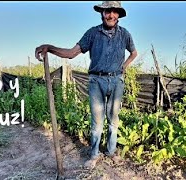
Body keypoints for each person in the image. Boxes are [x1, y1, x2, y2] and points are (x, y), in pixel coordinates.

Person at [35, 1, 137, 170]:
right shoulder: (92, 33)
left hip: (117, 81)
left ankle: (111, 152)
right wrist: (50, 47)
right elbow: (71, 53)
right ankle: (94, 155)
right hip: (96, 81)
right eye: (107, 11)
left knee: (114, 119)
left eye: (114, 11)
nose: (111, 15)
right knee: (97, 122)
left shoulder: (125, 34)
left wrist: (123, 67)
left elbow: (134, 53)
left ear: (118, 14)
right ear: (102, 13)